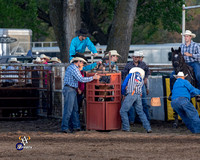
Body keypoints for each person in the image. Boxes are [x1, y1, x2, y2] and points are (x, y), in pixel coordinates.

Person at [61, 53, 100, 133]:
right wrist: (93, 77)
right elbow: (81, 79)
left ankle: (75, 126)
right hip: (70, 90)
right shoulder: (74, 68)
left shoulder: (72, 68)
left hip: (71, 89)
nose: (82, 64)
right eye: (82, 62)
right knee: (69, 109)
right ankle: (66, 127)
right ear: (78, 61)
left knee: (74, 109)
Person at [120, 67, 152, 133]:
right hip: (138, 95)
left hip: (131, 94)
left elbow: (124, 85)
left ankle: (126, 127)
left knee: (123, 111)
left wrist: (123, 93)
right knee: (141, 112)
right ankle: (148, 127)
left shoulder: (130, 75)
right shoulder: (141, 79)